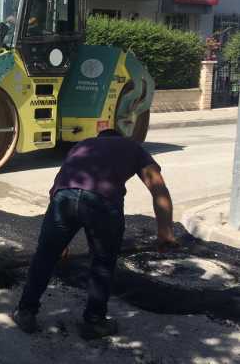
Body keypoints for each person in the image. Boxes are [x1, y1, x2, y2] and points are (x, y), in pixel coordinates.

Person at [13, 129, 177, 339]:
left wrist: (59, 242)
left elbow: (56, 186)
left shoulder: (82, 145)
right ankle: (94, 321)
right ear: (120, 137)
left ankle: (25, 312)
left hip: (64, 197)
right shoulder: (132, 147)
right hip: (103, 202)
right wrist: (165, 230)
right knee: (103, 262)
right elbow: (158, 187)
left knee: (45, 256)